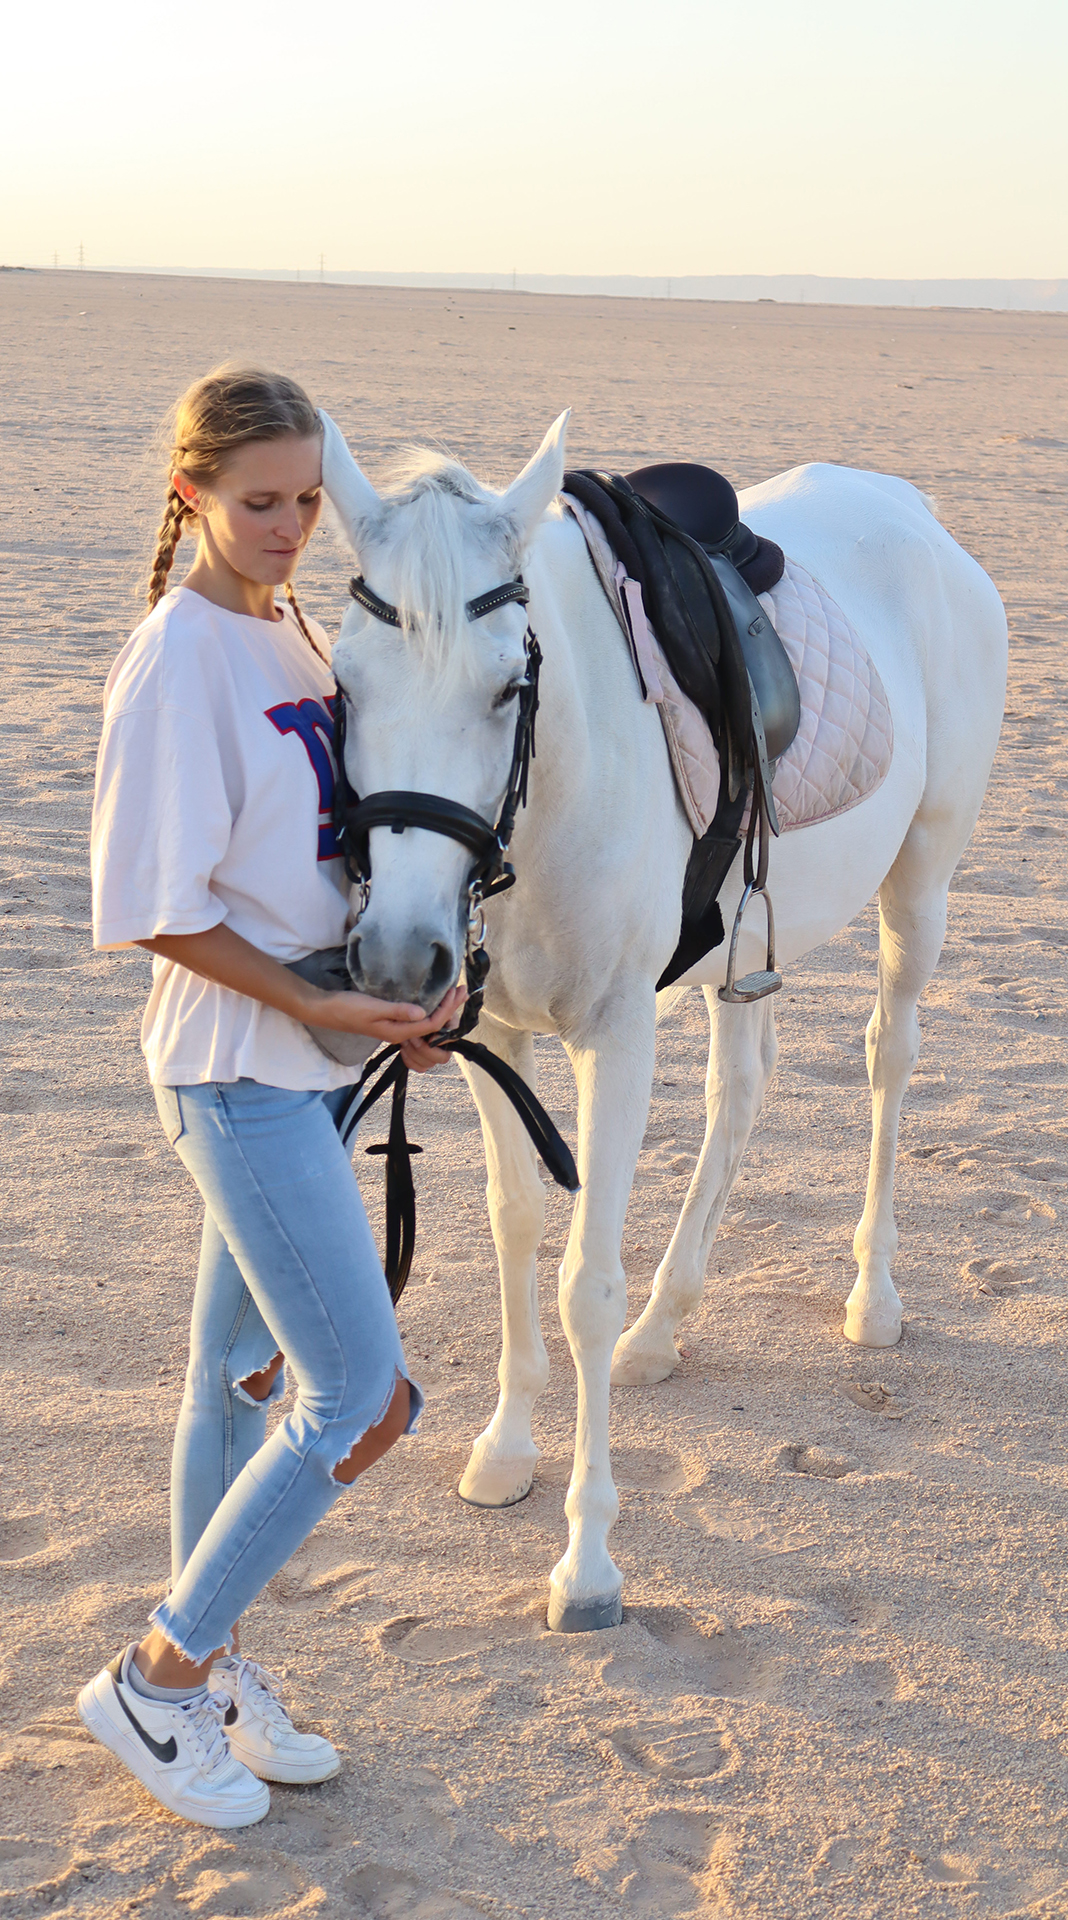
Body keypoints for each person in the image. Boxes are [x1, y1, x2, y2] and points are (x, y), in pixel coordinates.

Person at [80, 366, 464, 1829]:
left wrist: (389, 999)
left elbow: (323, 853)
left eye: (310, 500)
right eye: (260, 503)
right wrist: (310, 997)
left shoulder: (288, 627)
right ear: (191, 495)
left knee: (228, 1390)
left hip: (308, 1060)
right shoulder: (177, 656)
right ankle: (159, 1678)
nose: (294, 526)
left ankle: (217, 1670)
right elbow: (150, 904)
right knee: (357, 1395)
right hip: (237, 1069)